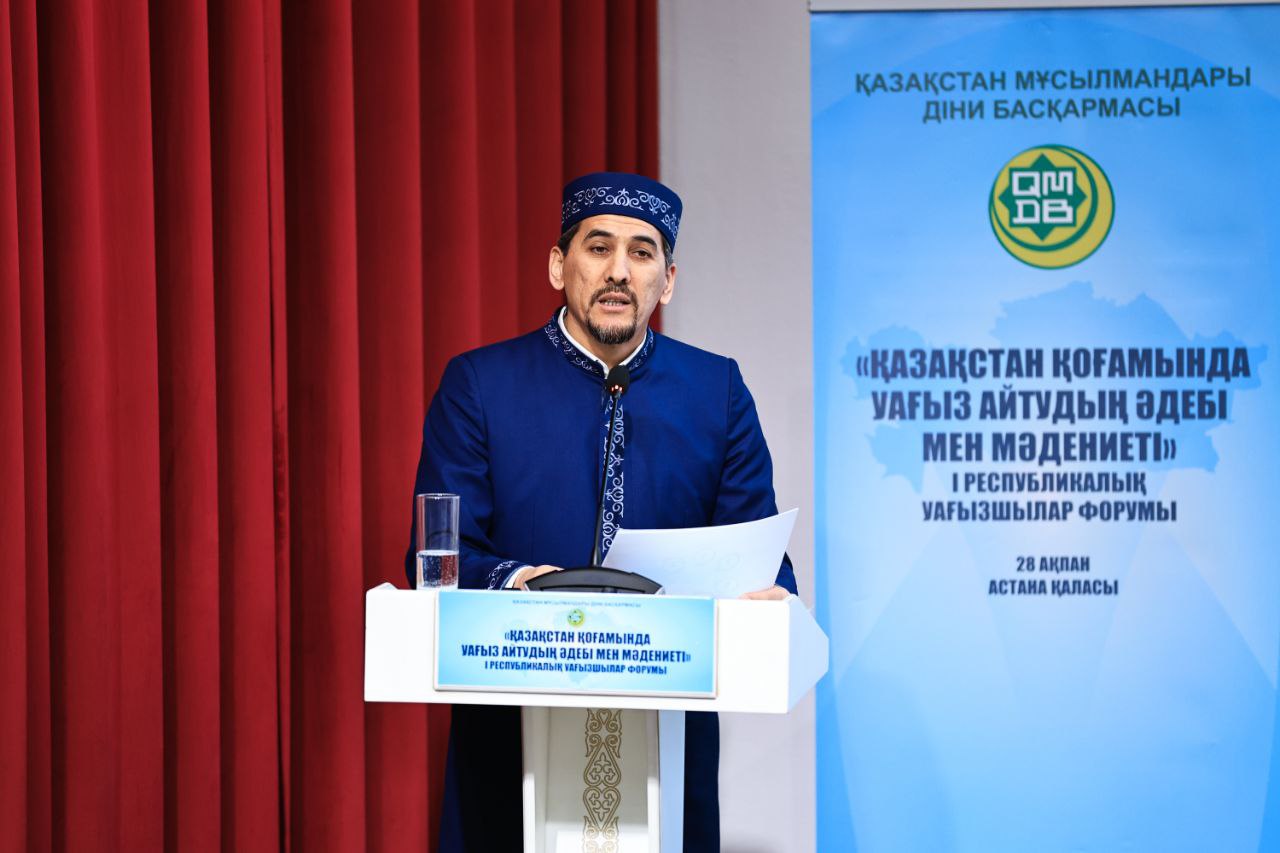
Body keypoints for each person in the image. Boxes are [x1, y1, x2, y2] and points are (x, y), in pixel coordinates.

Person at [406, 171, 796, 852]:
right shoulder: (481, 384)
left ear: (667, 281)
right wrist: (519, 581)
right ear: (559, 266)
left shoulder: (717, 390)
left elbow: (756, 550)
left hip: (667, 728)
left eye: (642, 253)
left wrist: (772, 597)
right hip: (507, 730)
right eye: (598, 247)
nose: (619, 271)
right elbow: (439, 556)